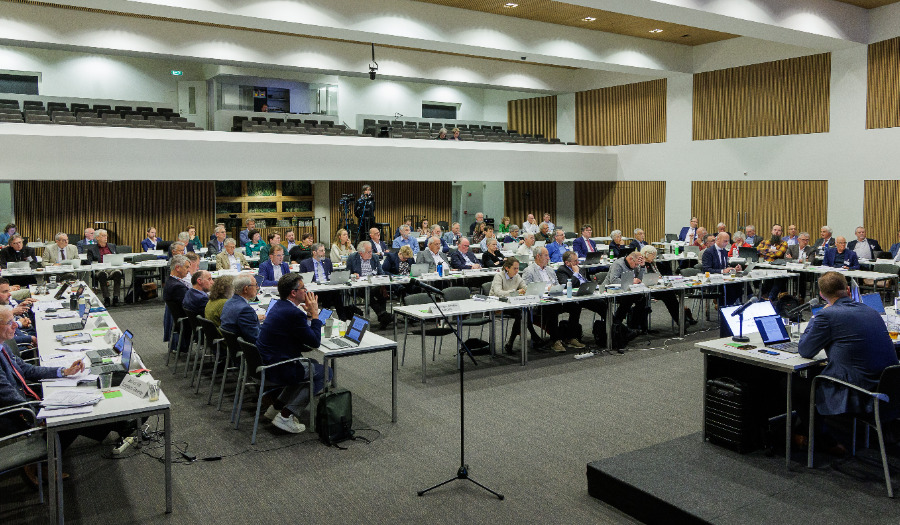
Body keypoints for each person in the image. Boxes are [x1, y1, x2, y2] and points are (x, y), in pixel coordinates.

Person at [796, 271, 899, 447]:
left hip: (861, 394)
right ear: (848, 290)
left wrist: (814, 317)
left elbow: (805, 350)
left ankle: (824, 442)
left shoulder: (826, 315)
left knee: (794, 385)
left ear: (821, 294)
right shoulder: (871, 311)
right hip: (888, 391)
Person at [256, 273, 332, 434]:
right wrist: (315, 314)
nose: (306, 291)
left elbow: (303, 339)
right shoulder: (293, 313)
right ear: (293, 293)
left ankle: (276, 408)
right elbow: (314, 342)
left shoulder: (279, 305)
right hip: (278, 368)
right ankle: (286, 415)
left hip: (266, 362)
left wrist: (309, 315)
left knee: (312, 365)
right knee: (326, 371)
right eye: (303, 288)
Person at [521, 246, 573, 352]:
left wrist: (556, 288)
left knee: (575, 306)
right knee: (552, 308)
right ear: (538, 256)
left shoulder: (550, 270)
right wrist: (546, 289)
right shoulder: (529, 271)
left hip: (555, 298)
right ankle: (555, 340)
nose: (548, 258)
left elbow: (557, 284)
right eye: (546, 255)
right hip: (539, 303)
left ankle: (572, 336)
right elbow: (526, 289)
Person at [490, 258, 542, 354]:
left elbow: (525, 287)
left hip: (512, 303)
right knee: (521, 313)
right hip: (498, 305)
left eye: (518, 268)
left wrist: (532, 290)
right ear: (507, 268)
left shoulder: (517, 276)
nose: (517, 271)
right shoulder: (499, 276)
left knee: (522, 313)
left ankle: (511, 343)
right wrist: (515, 292)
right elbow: (498, 292)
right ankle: (534, 336)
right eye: (515, 268)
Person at [640, 246, 697, 326]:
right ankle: (682, 320)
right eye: (652, 255)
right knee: (669, 295)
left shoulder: (654, 263)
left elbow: (661, 274)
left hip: (657, 286)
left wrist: (660, 277)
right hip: (646, 289)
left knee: (670, 294)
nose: (654, 257)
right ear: (646, 253)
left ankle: (682, 319)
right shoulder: (641, 264)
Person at [346, 241, 393, 329]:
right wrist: (353, 275)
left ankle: (383, 318)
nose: (371, 253)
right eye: (369, 252)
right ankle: (383, 315)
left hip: (373, 283)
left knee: (381, 291)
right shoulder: (352, 258)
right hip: (358, 286)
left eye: (371, 251)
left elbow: (381, 272)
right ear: (361, 253)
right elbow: (346, 274)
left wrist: (381, 279)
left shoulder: (374, 257)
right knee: (367, 291)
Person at [602, 252, 645, 345]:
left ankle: (633, 326)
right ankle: (618, 325)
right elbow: (613, 280)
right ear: (630, 259)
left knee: (642, 298)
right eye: (636, 264)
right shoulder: (618, 264)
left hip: (627, 290)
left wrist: (642, 267)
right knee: (628, 299)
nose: (636, 266)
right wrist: (631, 282)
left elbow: (639, 280)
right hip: (611, 291)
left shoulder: (635, 264)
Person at [556, 250, 607, 328]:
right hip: (576, 297)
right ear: (567, 263)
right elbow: (567, 286)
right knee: (600, 304)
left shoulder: (580, 268)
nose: (578, 263)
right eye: (575, 261)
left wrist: (594, 286)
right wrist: (576, 273)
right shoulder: (562, 270)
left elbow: (586, 280)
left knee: (604, 301)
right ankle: (615, 324)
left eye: (577, 260)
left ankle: (612, 324)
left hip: (586, 292)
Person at [220, 273, 263, 343]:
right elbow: (256, 338)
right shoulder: (245, 310)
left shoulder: (229, 302)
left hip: (232, 344)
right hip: (247, 347)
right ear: (246, 289)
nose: (257, 288)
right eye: (255, 285)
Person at [86, 230, 124, 306]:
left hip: (112, 268)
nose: (105, 237)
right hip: (100, 269)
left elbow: (117, 257)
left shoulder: (112, 246)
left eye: (106, 235)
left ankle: (116, 297)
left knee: (118, 273)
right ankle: (106, 298)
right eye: (103, 236)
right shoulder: (92, 249)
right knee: (102, 275)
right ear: (97, 238)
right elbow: (89, 262)